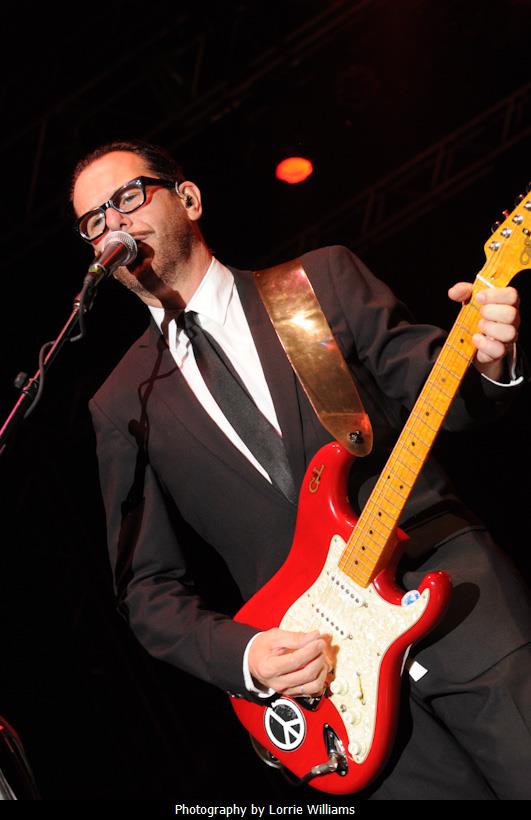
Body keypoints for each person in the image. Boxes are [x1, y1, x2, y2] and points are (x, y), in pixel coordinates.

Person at [70, 139, 530, 800]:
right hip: (331, 681)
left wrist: (487, 362)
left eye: (128, 197)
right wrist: (245, 656)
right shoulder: (121, 404)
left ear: (189, 198)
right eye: (94, 220)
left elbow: (438, 393)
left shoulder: (317, 282)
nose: (113, 222)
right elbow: (147, 587)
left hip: (454, 596)